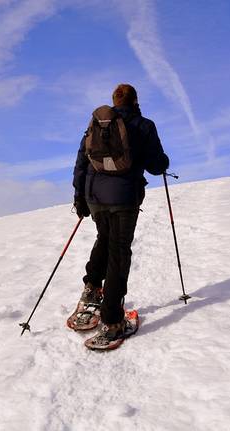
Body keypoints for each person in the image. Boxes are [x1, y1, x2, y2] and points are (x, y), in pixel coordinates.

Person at [71, 83, 169, 346]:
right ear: (135, 101)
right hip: (124, 198)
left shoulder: (97, 123)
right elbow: (156, 165)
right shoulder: (143, 125)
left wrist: (79, 197)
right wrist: (163, 161)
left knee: (104, 239)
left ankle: (92, 290)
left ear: (114, 101)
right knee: (119, 251)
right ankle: (113, 321)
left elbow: (81, 161)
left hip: (95, 197)